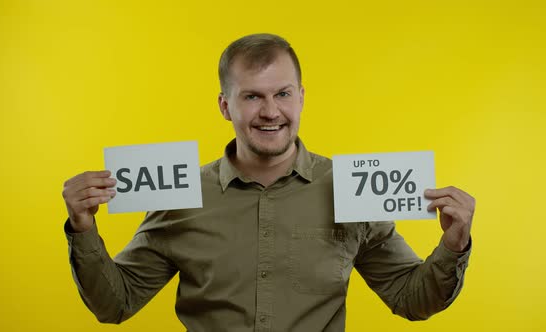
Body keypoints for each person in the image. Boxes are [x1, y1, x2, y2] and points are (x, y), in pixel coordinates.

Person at [62, 33, 474, 331]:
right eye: (252, 96)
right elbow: (116, 303)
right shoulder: (181, 194)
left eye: (282, 94)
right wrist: (83, 227)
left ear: (301, 98)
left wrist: (453, 245)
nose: (270, 111)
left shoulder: (353, 187)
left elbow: (411, 299)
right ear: (226, 106)